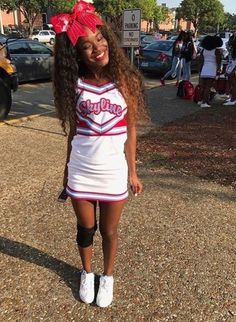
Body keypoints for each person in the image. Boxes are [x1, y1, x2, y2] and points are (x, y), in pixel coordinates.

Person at [51, 0, 145, 308]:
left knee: (109, 229)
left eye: (100, 39)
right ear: (76, 54)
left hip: (113, 170)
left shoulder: (126, 81)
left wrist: (132, 171)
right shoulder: (74, 85)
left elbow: (130, 132)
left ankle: (107, 277)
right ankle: (87, 272)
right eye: (87, 45)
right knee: (86, 228)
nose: (97, 48)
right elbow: (74, 133)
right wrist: (67, 171)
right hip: (81, 169)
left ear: (109, 40)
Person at [198, 35, 222, 108]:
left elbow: (201, 61)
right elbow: (218, 62)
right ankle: (204, 103)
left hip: (204, 68)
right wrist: (218, 70)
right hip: (212, 69)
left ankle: (201, 100)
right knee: (208, 87)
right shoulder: (216, 51)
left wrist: (200, 70)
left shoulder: (203, 50)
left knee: (202, 86)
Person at [223, 33, 236, 105]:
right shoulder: (232, 50)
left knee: (234, 84)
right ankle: (232, 98)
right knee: (232, 83)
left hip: (233, 67)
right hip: (232, 66)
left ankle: (233, 100)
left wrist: (232, 70)